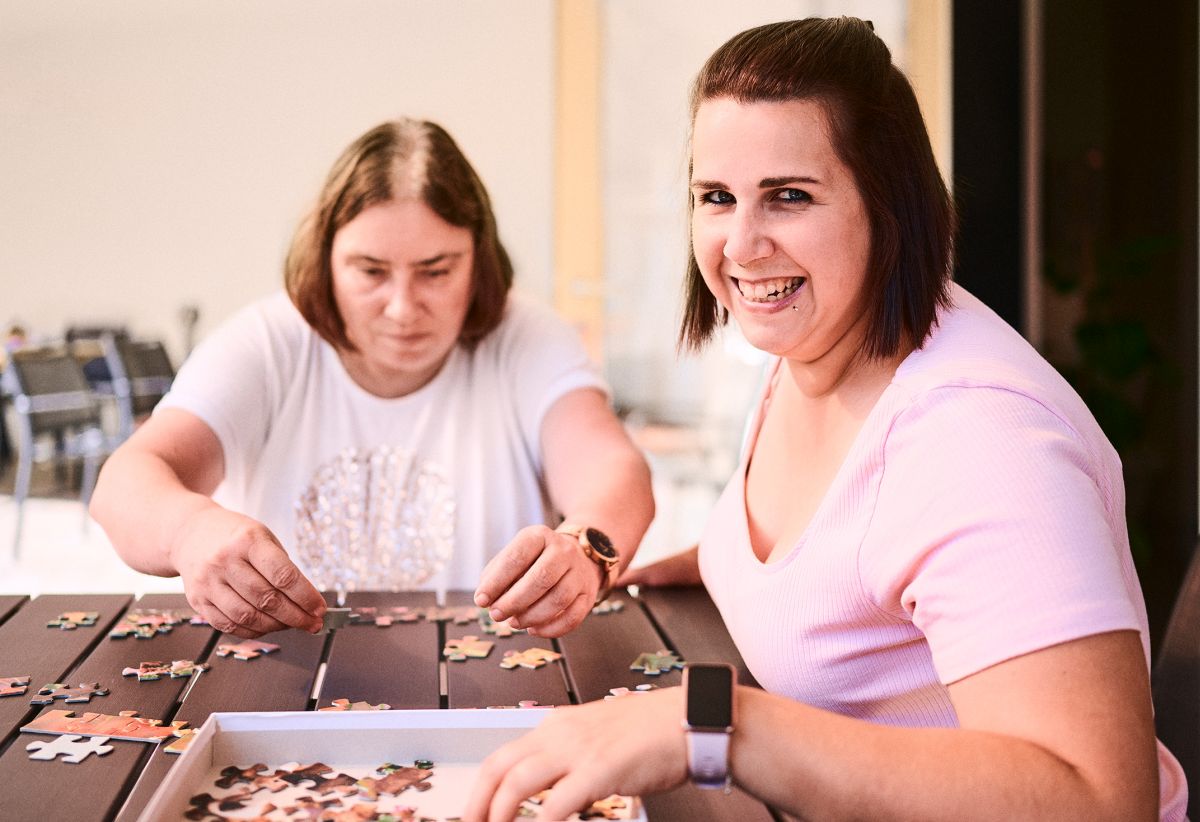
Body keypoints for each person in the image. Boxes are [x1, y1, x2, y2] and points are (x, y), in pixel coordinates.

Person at [464, 17, 1188, 822]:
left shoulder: (981, 439)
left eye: (789, 197)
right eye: (716, 198)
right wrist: (712, 558)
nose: (740, 245)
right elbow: (866, 550)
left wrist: (713, 729)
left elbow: (1098, 799)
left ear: (890, 205)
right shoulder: (811, 349)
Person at [91, 118, 654, 640]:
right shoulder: (268, 339)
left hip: (493, 675)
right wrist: (189, 531)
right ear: (325, 259)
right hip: (289, 672)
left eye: (436, 270)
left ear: (478, 259)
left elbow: (612, 469)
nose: (403, 308)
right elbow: (126, 483)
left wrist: (585, 548)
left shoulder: (526, 335)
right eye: (371, 272)